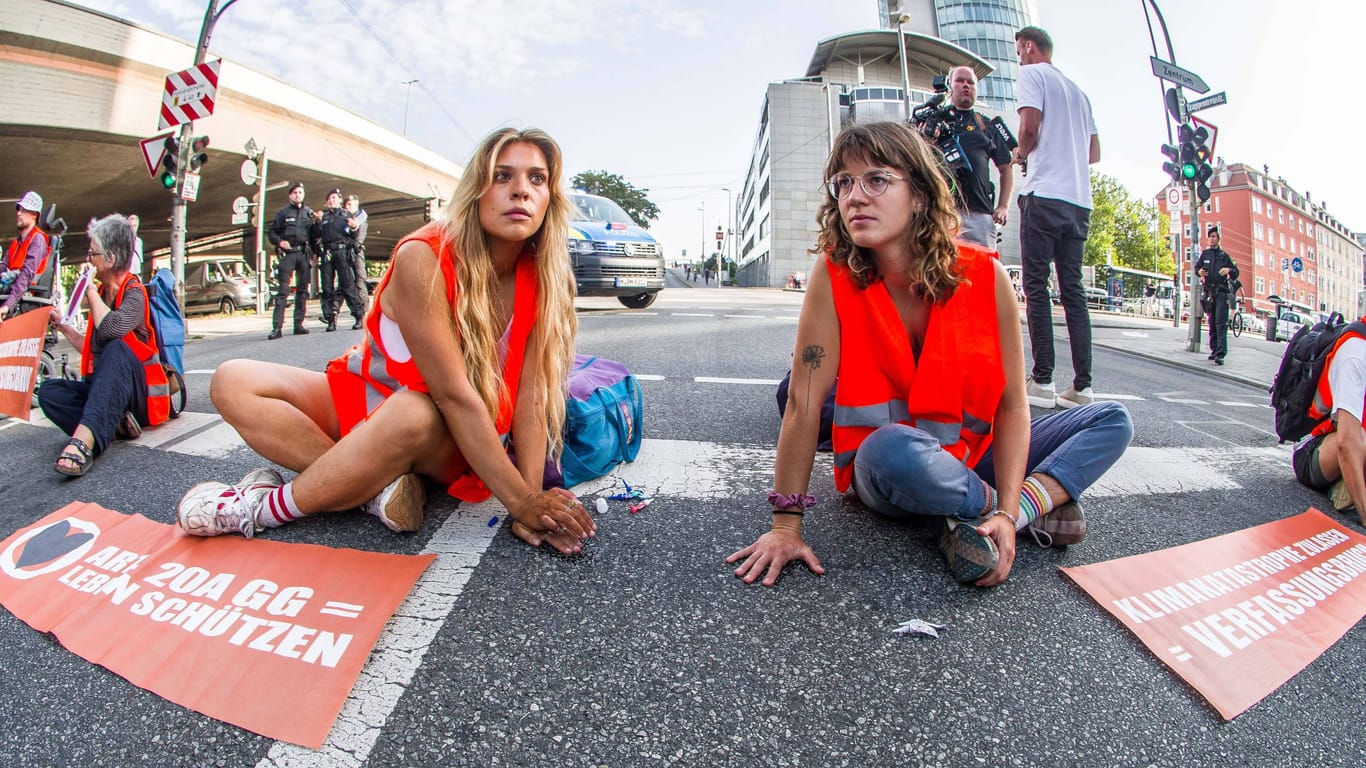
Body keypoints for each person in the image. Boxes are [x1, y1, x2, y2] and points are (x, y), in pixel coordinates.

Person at [726, 121, 1132, 588]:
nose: (854, 196)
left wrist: (1007, 509)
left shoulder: (988, 277)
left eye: (876, 179)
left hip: (971, 457)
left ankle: (996, 517)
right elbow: (801, 402)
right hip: (885, 466)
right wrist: (785, 525)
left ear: (919, 194)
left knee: (1111, 420)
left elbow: (1013, 406)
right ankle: (1019, 508)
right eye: (843, 183)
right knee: (893, 448)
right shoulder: (834, 273)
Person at [175, 127, 595, 554]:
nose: (521, 191)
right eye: (502, 176)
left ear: (549, 199)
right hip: (363, 400)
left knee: (414, 410)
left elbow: (526, 396)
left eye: (536, 179)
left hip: (445, 433)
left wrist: (527, 501)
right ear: (476, 190)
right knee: (232, 379)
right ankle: (371, 491)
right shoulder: (424, 256)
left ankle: (263, 508)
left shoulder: (544, 273)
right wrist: (524, 502)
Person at [39, 215, 170, 477]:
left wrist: (87, 291)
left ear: (110, 259)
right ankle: (114, 422)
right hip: (106, 390)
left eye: (93, 253)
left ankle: (84, 443)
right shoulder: (101, 293)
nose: (89, 259)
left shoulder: (135, 292)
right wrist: (65, 327)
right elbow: (91, 348)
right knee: (49, 392)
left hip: (137, 394)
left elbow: (111, 329)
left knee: (117, 348)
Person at [1013, 26, 1101, 410]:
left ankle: (1043, 380)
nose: (1019, 57)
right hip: (1079, 202)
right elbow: (1093, 153)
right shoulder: (1080, 94)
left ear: (1029, 47)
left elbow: (1030, 128)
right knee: (1074, 293)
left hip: (1044, 195)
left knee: (1036, 286)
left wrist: (1021, 154)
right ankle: (1082, 387)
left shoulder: (1032, 75)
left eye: (1019, 50)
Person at [1292, 320, 1366, 527]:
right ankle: (1346, 491)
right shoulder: (1356, 352)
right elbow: (1347, 443)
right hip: (1313, 452)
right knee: (1360, 437)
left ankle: (1352, 481)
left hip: (1352, 444)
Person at [944, 66, 1014, 248]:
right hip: (944, 213)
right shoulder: (936, 123)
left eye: (971, 82)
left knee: (985, 272)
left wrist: (1003, 206)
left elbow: (1006, 168)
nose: (966, 86)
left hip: (980, 214)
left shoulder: (986, 125)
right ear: (949, 85)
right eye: (960, 81)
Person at [311, 188, 363, 331]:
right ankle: (330, 319)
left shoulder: (346, 215)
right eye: (329, 198)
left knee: (348, 285)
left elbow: (355, 235)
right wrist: (316, 222)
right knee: (327, 287)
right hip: (327, 253)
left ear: (340, 200)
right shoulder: (324, 217)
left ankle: (358, 316)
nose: (332, 200)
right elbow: (315, 236)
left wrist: (354, 228)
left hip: (342, 252)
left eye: (334, 197)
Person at [267, 182, 314, 339]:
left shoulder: (309, 213)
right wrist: (280, 242)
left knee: (302, 290)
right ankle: (277, 327)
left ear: (304, 194)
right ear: (290, 196)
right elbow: (272, 232)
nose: (297, 195)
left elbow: (315, 236)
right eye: (294, 193)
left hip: (303, 254)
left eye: (300, 192)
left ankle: (298, 324)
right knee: (283, 291)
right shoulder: (283, 213)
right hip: (289, 254)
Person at [0, 191, 49, 323]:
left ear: (34, 214)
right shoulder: (15, 244)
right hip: (8, 290)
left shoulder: (37, 240)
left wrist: (7, 305)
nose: (18, 213)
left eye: (24, 210)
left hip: (22, 298)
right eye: (18, 209)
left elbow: (26, 276)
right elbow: (2, 268)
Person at [1195, 225, 1238, 365]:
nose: (1211, 239)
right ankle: (1214, 350)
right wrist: (1199, 272)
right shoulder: (1205, 254)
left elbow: (1235, 272)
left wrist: (1229, 271)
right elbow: (1197, 268)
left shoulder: (1223, 256)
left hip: (1221, 292)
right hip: (1209, 292)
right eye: (1210, 237)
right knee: (1212, 322)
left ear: (1218, 239)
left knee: (1220, 323)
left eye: (1214, 237)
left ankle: (1221, 353)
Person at [344, 193, 370, 307]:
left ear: (356, 204)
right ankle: (333, 313)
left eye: (350, 204)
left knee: (360, 280)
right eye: (346, 205)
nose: (347, 207)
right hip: (346, 251)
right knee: (344, 282)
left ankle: (364, 310)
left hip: (356, 251)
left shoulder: (361, 218)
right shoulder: (345, 219)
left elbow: (358, 237)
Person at [127, 214, 144, 279]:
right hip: (126, 275)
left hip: (137, 275)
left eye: (134, 225)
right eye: (130, 226)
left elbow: (140, 261)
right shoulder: (122, 241)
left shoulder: (139, 241)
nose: (133, 228)